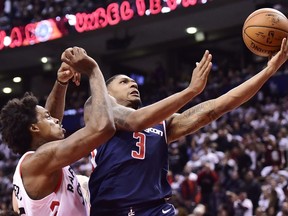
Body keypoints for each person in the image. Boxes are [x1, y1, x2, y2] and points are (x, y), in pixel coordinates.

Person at [88, 37, 288, 216]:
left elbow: (218, 106)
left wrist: (268, 71)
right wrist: (191, 91)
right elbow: (134, 121)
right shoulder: (99, 108)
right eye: (124, 82)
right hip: (112, 209)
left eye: (134, 82)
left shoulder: (163, 124)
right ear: (106, 93)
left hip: (155, 209)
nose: (133, 84)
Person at [0, 46, 116, 216]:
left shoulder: (35, 161)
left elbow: (52, 120)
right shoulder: (39, 160)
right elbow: (103, 127)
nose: (55, 120)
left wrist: (62, 82)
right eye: (47, 117)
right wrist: (93, 70)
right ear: (34, 128)